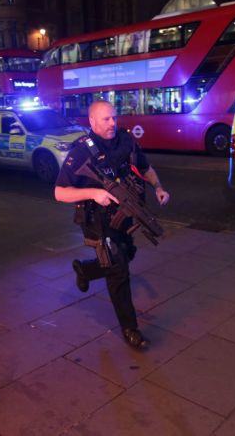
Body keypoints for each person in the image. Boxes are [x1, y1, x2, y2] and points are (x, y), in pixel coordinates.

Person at [54, 100, 170, 350]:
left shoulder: (125, 141)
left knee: (128, 254)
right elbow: (60, 193)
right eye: (105, 120)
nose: (112, 123)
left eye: (114, 118)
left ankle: (85, 270)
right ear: (92, 122)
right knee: (118, 270)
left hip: (124, 215)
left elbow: (145, 167)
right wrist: (94, 193)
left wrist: (158, 187)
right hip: (97, 219)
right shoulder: (81, 152)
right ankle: (131, 328)